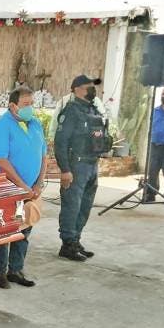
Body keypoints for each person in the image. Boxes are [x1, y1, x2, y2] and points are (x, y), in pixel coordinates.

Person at [0, 86, 47, 288]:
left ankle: (16, 270)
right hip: (6, 186)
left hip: (31, 188)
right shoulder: (1, 126)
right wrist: (21, 186)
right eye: (26, 104)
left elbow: (43, 155)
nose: (30, 108)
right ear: (13, 106)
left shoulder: (35, 124)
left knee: (25, 227)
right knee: (5, 228)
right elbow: (1, 160)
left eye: (32, 103)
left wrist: (38, 183)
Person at [55, 75, 110, 262]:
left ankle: (76, 240)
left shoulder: (92, 109)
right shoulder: (71, 111)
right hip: (76, 165)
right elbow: (60, 142)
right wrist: (65, 169)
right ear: (77, 89)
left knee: (85, 206)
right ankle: (67, 244)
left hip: (92, 164)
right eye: (89, 87)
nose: (93, 90)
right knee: (72, 206)